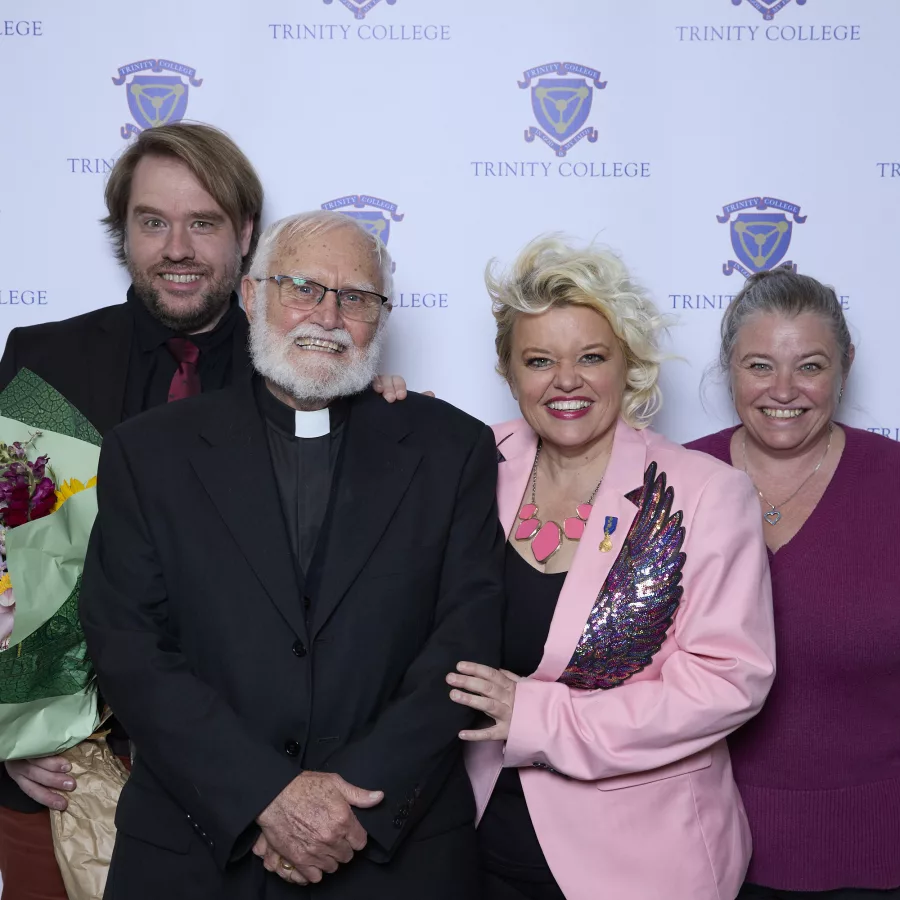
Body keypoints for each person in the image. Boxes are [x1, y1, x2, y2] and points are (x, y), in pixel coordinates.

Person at [78, 210, 504, 899]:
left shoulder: (451, 448)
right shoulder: (149, 451)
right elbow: (127, 645)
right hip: (197, 851)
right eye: (303, 287)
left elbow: (467, 639)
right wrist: (263, 796)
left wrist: (349, 802)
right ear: (252, 297)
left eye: (356, 298)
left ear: (381, 319)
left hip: (393, 851)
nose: (328, 316)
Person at [399, 235, 774, 900]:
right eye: (539, 360)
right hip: (474, 846)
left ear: (626, 364)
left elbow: (726, 682)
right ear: (509, 374)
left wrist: (539, 718)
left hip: (642, 862)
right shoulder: (472, 462)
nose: (565, 381)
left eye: (591, 357)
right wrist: (376, 413)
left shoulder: (706, 492)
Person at [0, 122, 263, 900]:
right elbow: (14, 551)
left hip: (245, 791)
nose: (177, 247)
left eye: (203, 222)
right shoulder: (46, 364)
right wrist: (12, 730)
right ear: (125, 234)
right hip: (56, 779)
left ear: (245, 234)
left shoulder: (295, 374)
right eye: (153, 222)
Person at [685, 268, 900, 899]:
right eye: (759, 365)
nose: (783, 390)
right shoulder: (676, 479)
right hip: (705, 853)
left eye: (809, 366)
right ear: (729, 366)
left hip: (880, 856)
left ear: (845, 365)